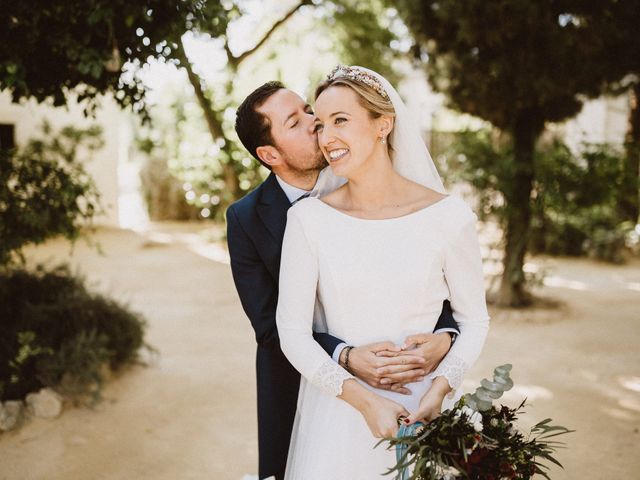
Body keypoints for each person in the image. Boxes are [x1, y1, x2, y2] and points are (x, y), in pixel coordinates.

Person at [227, 80, 461, 480]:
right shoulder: (246, 219)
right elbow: (269, 327)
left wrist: (447, 334)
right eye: (295, 122)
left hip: (402, 379)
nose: (314, 123)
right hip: (299, 384)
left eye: (308, 110)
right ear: (269, 154)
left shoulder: (364, 179)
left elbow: (425, 278)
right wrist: (346, 357)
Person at [276, 66, 490, 479]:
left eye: (340, 121)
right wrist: (364, 402)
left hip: (423, 410)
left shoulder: (450, 217)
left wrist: (440, 388)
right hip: (339, 416)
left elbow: (474, 319)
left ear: (383, 125)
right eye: (319, 125)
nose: (326, 138)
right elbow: (292, 332)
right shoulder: (308, 220)